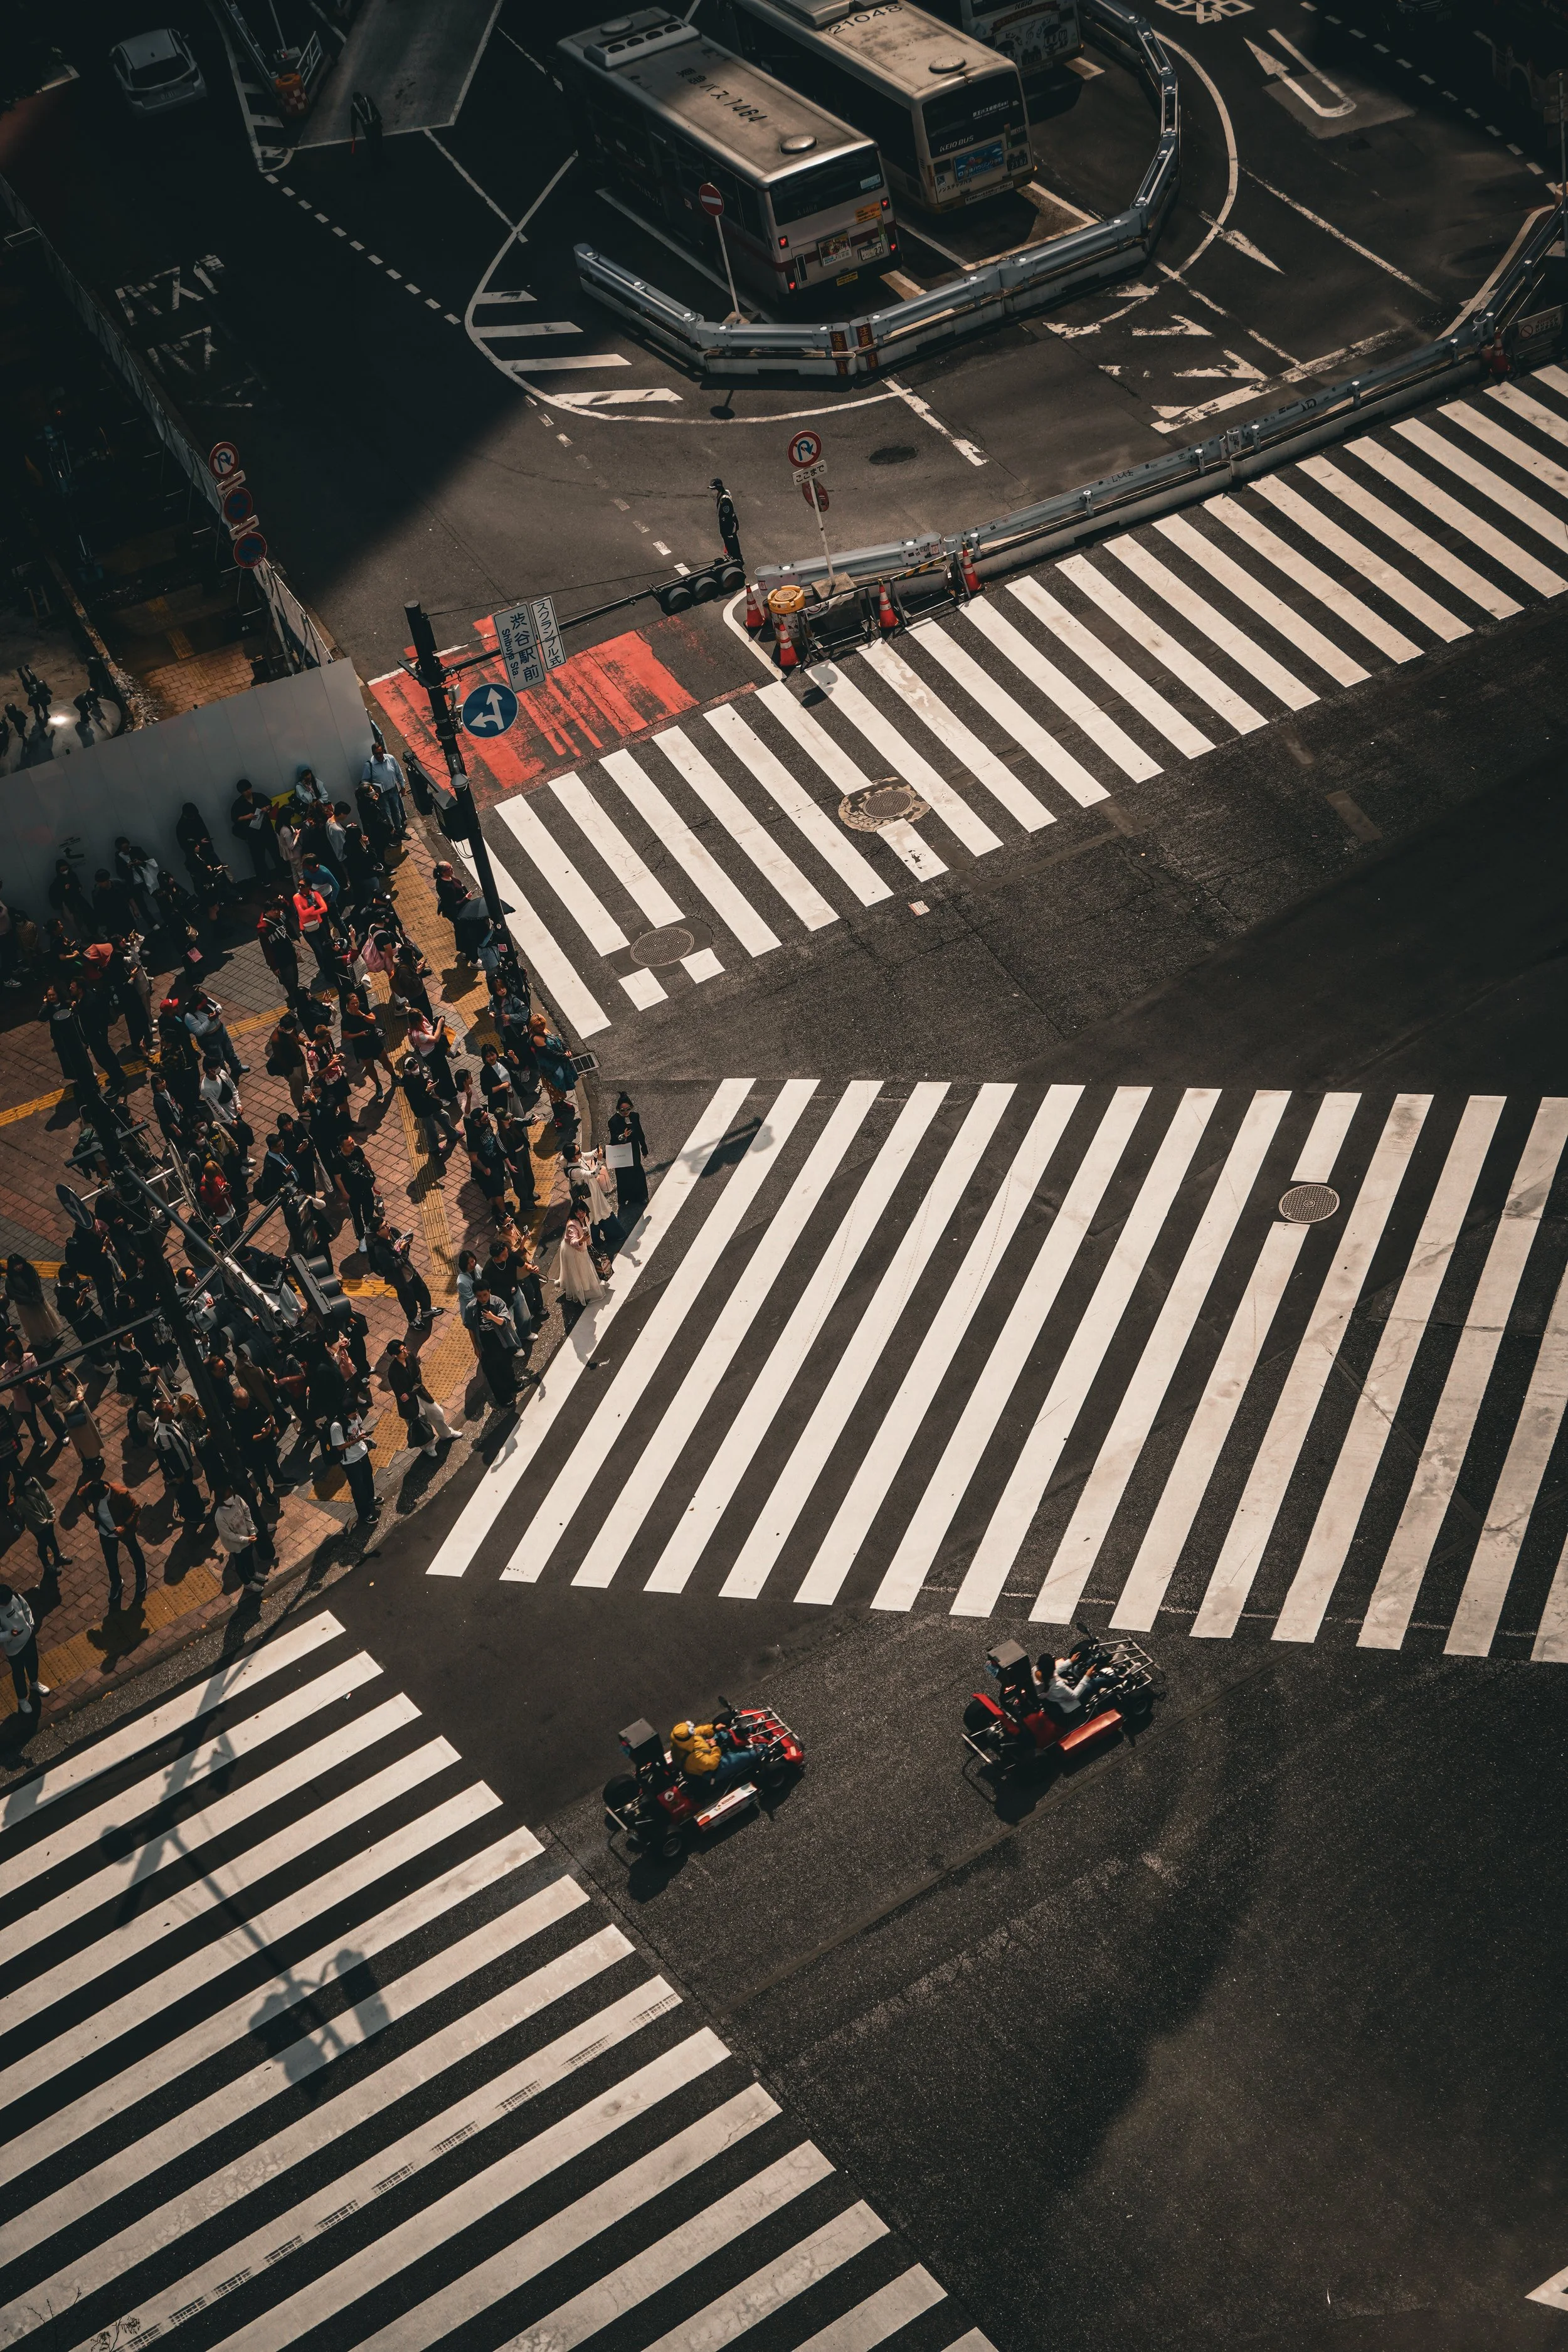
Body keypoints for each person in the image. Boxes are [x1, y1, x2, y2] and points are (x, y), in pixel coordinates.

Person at [384, 1338, 456, 1456]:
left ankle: (446, 1434)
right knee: (421, 1426)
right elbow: (400, 1393)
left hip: (420, 1394)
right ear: (394, 1355)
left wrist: (410, 1393)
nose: (405, 1351)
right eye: (402, 1351)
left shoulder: (410, 1356)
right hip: (410, 1404)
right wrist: (409, 1394)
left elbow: (418, 1376)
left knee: (437, 1413)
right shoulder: (393, 1372)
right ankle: (429, 1448)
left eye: (405, 1348)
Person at [87, 1476, 146, 1606]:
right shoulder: (92, 1488)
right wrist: (88, 1513)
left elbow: (137, 1508)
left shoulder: (120, 1494)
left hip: (124, 1531)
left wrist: (124, 1527)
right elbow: (80, 1494)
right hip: (105, 1532)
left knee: (135, 1552)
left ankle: (142, 1576)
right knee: (110, 1558)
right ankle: (116, 1582)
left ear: (103, 1493)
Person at [367, 1216, 436, 1325]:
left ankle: (426, 1310)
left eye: (386, 1224)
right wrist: (404, 1252)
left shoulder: (393, 1232)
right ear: (378, 1233)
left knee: (422, 1290)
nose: (387, 1227)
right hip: (400, 1278)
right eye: (384, 1227)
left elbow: (403, 1243)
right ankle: (413, 1320)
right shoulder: (380, 1250)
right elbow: (395, 1265)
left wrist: (406, 1243)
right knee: (408, 1300)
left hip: (410, 1270)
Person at [670, 1717, 755, 1794]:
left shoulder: (680, 1742)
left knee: (725, 1733)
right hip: (709, 1772)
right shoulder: (693, 1759)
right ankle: (759, 1750)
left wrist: (714, 1728)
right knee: (740, 1758)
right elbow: (713, 1763)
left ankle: (750, 1729)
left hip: (704, 1753)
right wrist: (714, 1747)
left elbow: (698, 1731)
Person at [0, 1583, 46, 1716]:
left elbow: (25, 1608)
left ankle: (34, 1683)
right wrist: (9, 1635)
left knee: (33, 1661)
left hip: (28, 1638)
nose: (9, 1603)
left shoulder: (14, 1596)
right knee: (18, 1673)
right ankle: (22, 1699)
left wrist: (30, 1624)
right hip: (13, 1649)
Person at [329, 1409, 378, 1525]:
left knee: (368, 1476)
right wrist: (357, 1440)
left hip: (362, 1453)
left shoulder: (355, 1416)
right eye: (353, 1414)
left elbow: (359, 1427)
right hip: (350, 1461)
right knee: (358, 1487)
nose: (356, 1415)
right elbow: (340, 1447)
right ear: (345, 1415)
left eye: (356, 1412)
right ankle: (364, 1514)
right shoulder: (336, 1427)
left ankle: (371, 1498)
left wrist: (362, 1437)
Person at [231, 780, 284, 880]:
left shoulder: (259, 796)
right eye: (245, 791)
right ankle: (265, 879)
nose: (248, 792)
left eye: (249, 789)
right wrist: (247, 817)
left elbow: (270, 804)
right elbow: (235, 819)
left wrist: (265, 808)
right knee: (259, 859)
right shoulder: (238, 804)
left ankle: (284, 872)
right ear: (241, 792)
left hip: (267, 831)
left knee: (277, 853)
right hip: (253, 835)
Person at [608, 1093, 650, 1219]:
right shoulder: (613, 1121)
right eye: (623, 1110)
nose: (626, 1112)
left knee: (637, 1172)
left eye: (628, 1109)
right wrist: (623, 1136)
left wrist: (644, 1146)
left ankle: (642, 1196)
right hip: (621, 1151)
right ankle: (624, 1197)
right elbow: (613, 1139)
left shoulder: (635, 1116)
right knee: (623, 1175)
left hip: (634, 1149)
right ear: (618, 1110)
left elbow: (640, 1132)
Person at [213, 1485, 265, 1586]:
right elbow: (229, 1535)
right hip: (236, 1544)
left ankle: (252, 1573)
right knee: (240, 1563)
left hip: (247, 1536)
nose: (230, 1498)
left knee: (249, 1556)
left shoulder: (237, 1499)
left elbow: (247, 1513)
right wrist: (246, 1539)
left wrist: (252, 1531)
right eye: (227, 1497)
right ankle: (247, 1583)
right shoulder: (219, 1517)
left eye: (231, 1495)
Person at [555, 1207, 607, 1309]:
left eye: (583, 1212)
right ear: (574, 1213)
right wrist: (582, 1240)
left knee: (582, 1268)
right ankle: (582, 1289)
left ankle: (581, 1286)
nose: (581, 1215)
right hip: (573, 1251)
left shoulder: (585, 1219)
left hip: (582, 1248)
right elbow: (574, 1241)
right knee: (578, 1270)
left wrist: (587, 1243)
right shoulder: (572, 1225)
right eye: (578, 1213)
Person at [13, 1473, 65, 1571]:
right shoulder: (21, 1500)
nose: (31, 1481)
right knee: (43, 1543)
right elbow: (34, 1515)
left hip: (48, 1519)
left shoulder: (34, 1481)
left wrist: (52, 1512)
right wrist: (48, 1522)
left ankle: (58, 1556)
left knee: (52, 1538)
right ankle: (47, 1566)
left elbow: (44, 1496)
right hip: (38, 1526)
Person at [362, 733, 408, 835]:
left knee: (396, 810)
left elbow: (398, 772)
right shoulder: (369, 765)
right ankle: (391, 833)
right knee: (386, 814)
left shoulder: (390, 759)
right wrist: (373, 791)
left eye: (380, 753)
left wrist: (403, 786)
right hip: (381, 795)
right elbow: (364, 783)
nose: (378, 756)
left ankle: (399, 830)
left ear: (383, 751)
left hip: (393, 790)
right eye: (376, 754)